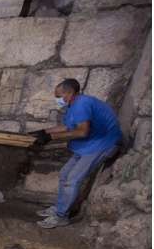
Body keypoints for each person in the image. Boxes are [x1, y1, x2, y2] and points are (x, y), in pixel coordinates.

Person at [29, 78, 122, 229]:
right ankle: (60, 208)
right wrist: (42, 132)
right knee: (65, 174)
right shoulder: (74, 105)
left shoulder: (82, 104)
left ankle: (61, 217)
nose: (57, 99)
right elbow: (66, 127)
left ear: (70, 92)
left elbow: (82, 131)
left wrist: (50, 137)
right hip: (88, 145)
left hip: (101, 145)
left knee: (72, 180)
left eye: (59, 96)